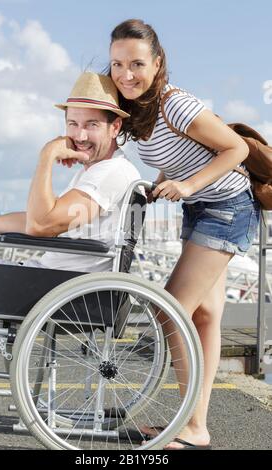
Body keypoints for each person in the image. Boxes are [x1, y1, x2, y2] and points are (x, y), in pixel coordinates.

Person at [108, 19, 260, 450]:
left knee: (169, 309)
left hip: (226, 210)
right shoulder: (139, 109)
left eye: (137, 63)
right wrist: (164, 180)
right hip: (200, 209)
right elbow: (178, 153)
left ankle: (190, 425)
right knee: (204, 317)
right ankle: (196, 425)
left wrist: (190, 185)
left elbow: (237, 149)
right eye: (118, 63)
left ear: (157, 64)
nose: (126, 73)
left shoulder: (176, 105)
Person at [0, 72, 141, 280]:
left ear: (115, 127)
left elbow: (39, 225)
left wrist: (48, 155)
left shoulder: (110, 173)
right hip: (50, 277)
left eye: (92, 124)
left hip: (60, 285)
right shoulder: (96, 171)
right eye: (73, 124)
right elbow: (33, 219)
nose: (80, 136)